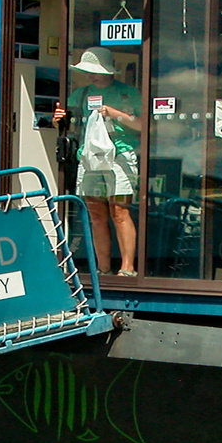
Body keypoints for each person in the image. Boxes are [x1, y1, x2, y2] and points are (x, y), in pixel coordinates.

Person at [52, 47, 143, 276]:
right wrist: (58, 121)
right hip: (90, 157)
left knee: (120, 210)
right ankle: (103, 269)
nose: (91, 75)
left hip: (120, 156)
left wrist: (115, 113)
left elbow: (144, 125)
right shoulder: (80, 95)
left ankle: (127, 268)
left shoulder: (128, 94)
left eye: (95, 71)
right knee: (96, 214)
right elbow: (69, 122)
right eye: (88, 71)